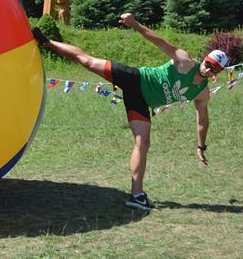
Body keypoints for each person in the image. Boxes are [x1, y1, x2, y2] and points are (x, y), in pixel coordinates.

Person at [33, 13, 228, 211]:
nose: (208, 69)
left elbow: (202, 120)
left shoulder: (202, 93)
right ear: (204, 59)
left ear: (217, 73)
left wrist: (201, 146)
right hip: (135, 79)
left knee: (143, 143)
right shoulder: (185, 61)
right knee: (88, 62)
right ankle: (46, 42)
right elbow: (158, 41)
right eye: (208, 64)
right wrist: (134, 24)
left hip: (141, 102)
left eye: (214, 69)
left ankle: (136, 195)